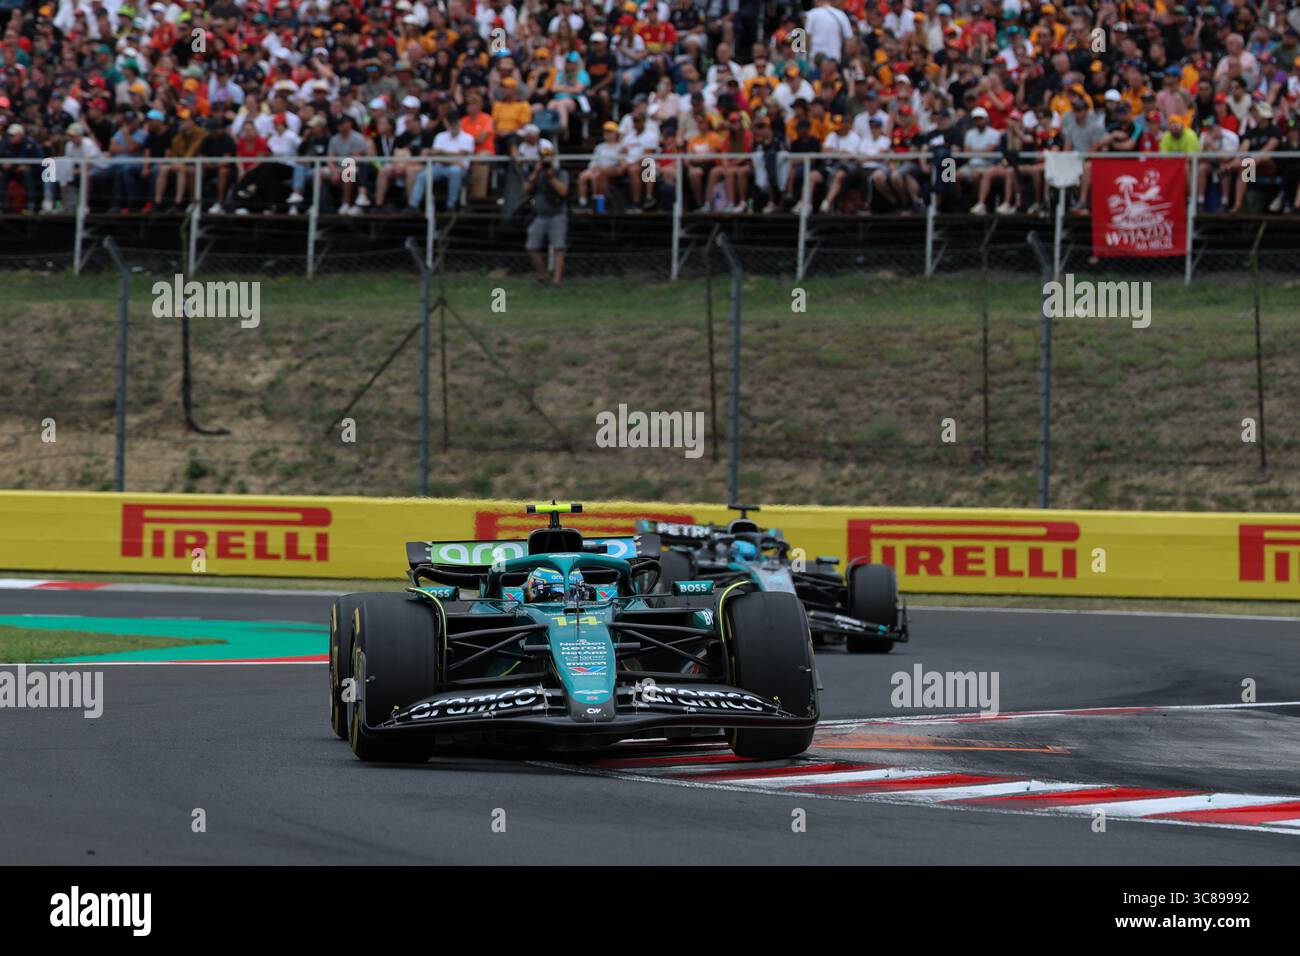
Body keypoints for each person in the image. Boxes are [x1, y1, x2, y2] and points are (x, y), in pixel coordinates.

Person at [410, 108, 475, 212]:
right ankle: (413, 204)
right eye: (450, 123)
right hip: (440, 167)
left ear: (459, 123)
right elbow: (435, 154)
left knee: (455, 171)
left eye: (454, 123)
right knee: (423, 175)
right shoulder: (441, 136)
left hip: (458, 169)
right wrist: (452, 157)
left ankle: (451, 205)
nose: (453, 125)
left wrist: (443, 153)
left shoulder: (468, 138)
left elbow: (461, 155)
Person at [524, 144, 569, 286]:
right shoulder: (536, 172)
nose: (546, 159)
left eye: (549, 155)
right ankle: (542, 275)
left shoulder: (560, 172)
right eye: (543, 156)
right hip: (540, 216)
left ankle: (557, 281)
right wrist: (536, 173)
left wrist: (551, 178)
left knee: (558, 248)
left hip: (557, 214)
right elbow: (526, 189)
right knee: (531, 247)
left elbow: (563, 192)